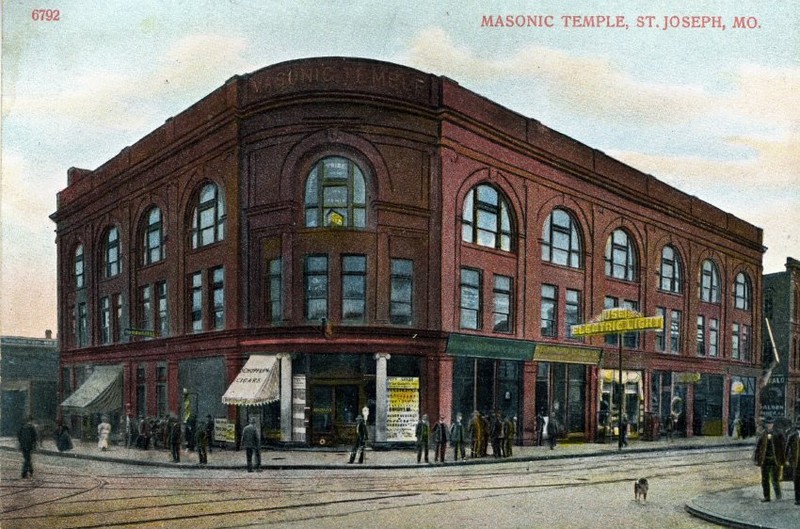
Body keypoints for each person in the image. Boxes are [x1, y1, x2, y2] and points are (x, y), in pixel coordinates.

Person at [754, 416, 786, 502]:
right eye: (768, 424)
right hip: (765, 460)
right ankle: (767, 497)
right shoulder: (763, 434)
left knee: (775, 479)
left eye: (770, 424)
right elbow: (758, 447)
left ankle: (778, 495)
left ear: (773, 424)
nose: (769, 425)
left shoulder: (778, 433)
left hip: (775, 460)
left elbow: (783, 447)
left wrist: (784, 459)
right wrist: (756, 459)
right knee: (764, 479)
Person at [783, 417, 800, 506]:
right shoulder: (792, 435)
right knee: (796, 480)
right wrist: (786, 459)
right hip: (796, 461)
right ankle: (797, 499)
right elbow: (787, 448)